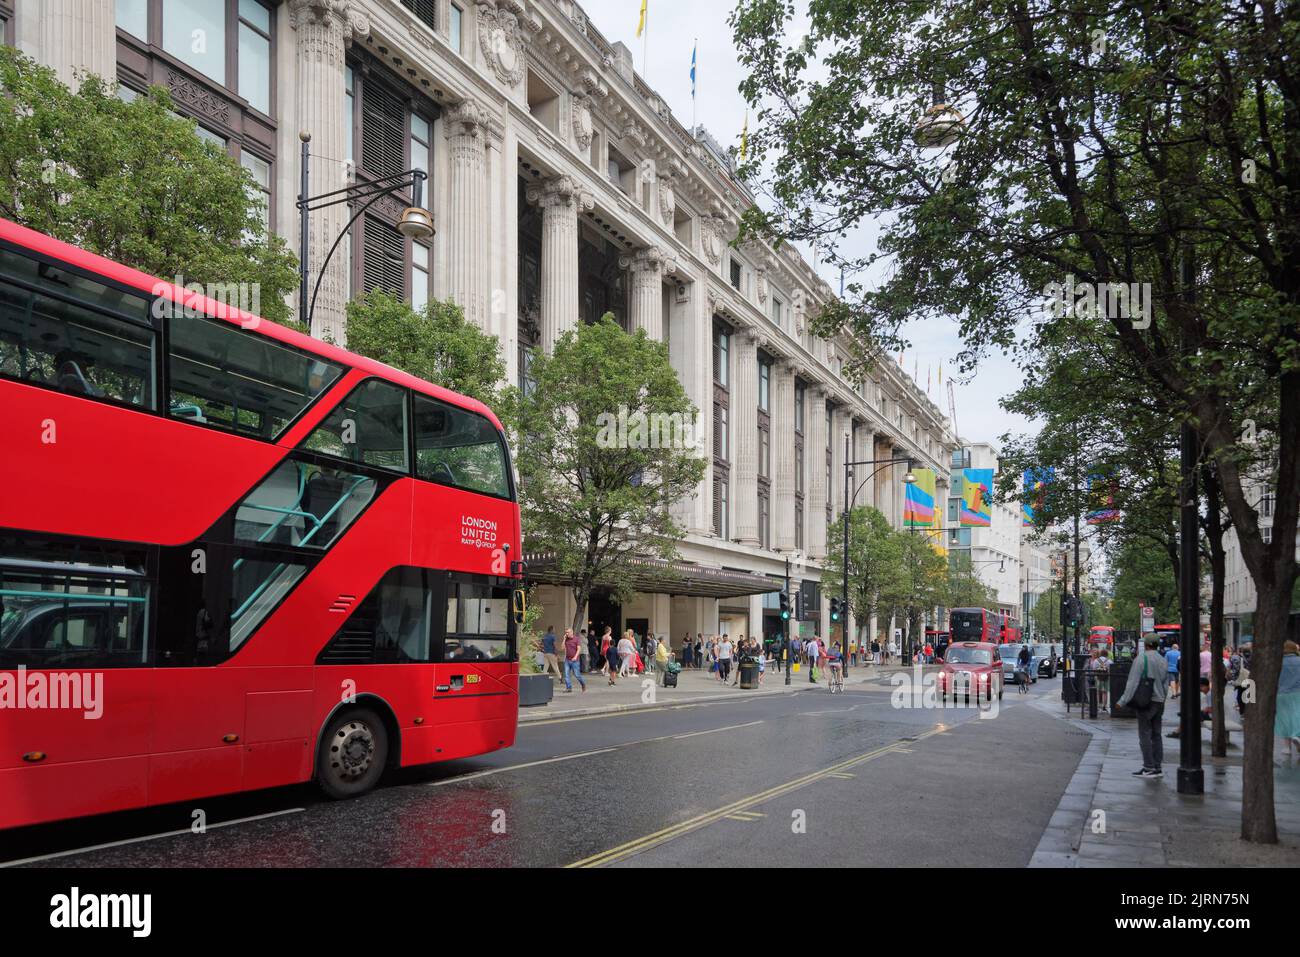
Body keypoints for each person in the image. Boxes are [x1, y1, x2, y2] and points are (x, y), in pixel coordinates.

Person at [1118, 634, 1169, 778]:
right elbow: (1166, 683)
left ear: (1145, 645)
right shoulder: (1162, 660)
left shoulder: (1141, 659)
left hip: (1146, 701)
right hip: (1159, 701)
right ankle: (1157, 767)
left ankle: (1148, 767)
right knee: (1157, 734)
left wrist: (1122, 701)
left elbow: (1132, 682)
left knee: (1145, 734)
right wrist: (1163, 698)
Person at [1275, 641, 1300, 756]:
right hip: (1297, 693)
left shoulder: (1278, 662)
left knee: (1284, 719)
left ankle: (1287, 747)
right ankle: (1296, 735)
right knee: (1296, 715)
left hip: (1281, 694)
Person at [562, 628, 586, 694]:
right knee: (566, 675)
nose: (567, 634)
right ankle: (568, 688)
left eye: (568, 632)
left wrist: (575, 657)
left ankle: (583, 684)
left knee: (577, 675)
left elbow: (579, 649)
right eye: (566, 632)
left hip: (575, 660)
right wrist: (564, 639)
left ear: (572, 632)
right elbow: (562, 648)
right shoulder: (566, 639)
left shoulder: (576, 639)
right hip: (567, 659)